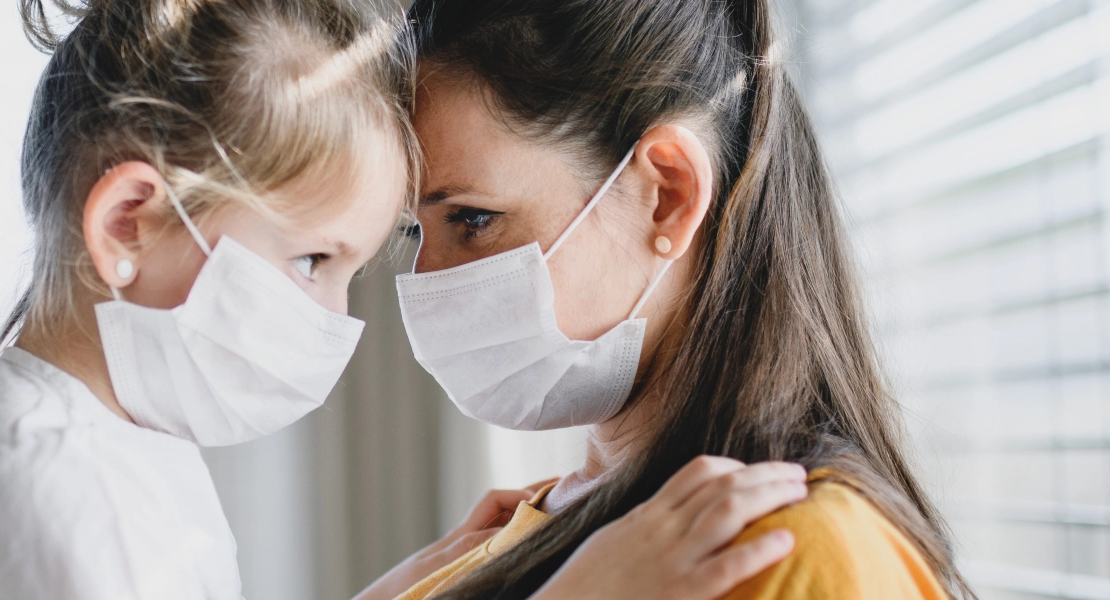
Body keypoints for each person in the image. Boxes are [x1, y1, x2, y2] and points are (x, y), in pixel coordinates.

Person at [0, 0, 806, 598]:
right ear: (127, 225)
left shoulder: (109, 455)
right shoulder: (54, 490)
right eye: (312, 259)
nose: (339, 318)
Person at [392, 0, 976, 598]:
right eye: (413, 231)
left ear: (669, 195)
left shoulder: (790, 549)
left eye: (472, 218)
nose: (425, 279)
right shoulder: (544, 537)